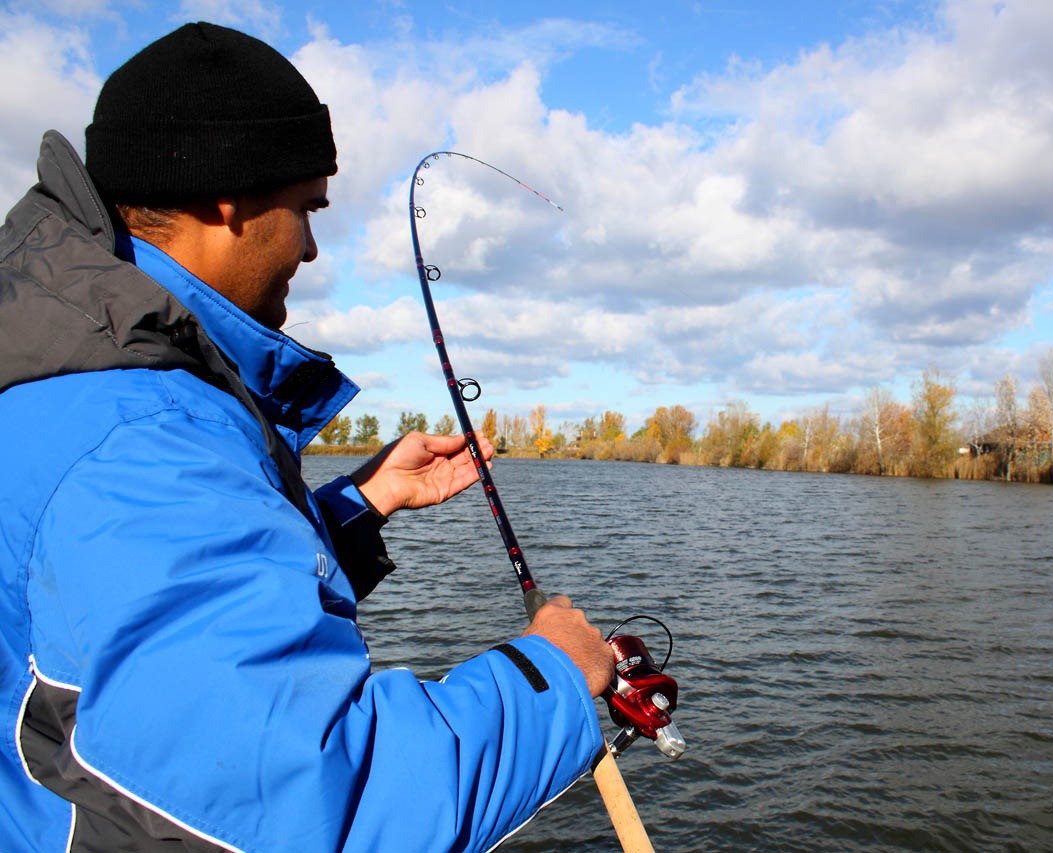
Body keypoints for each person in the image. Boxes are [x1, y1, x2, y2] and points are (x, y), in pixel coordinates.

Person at [0, 22, 614, 852]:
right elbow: (326, 800)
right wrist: (555, 679)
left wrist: (364, 503)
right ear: (229, 199)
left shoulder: (65, 370)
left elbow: (145, 617)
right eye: (306, 209)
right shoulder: (146, 435)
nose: (314, 247)